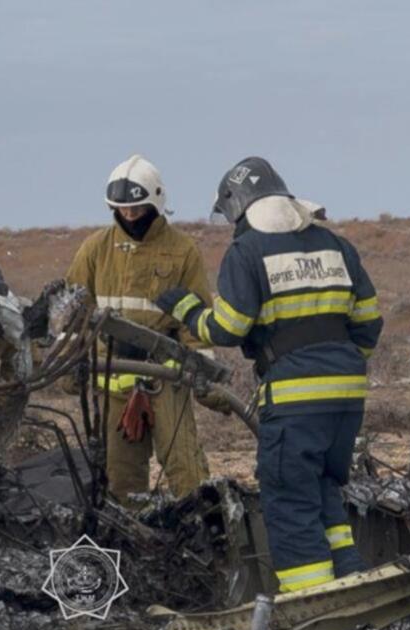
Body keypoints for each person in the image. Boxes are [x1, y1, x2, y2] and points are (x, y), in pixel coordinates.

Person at [156, 157, 383, 592]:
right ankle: (352, 579)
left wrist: (187, 309)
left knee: (289, 499)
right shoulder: (335, 246)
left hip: (295, 399)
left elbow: (229, 327)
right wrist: (339, 368)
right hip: (348, 397)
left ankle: (312, 601)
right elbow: (369, 324)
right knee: (322, 489)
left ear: (238, 208)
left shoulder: (248, 251)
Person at [65, 154, 222, 504]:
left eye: (137, 208)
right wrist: (68, 363)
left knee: (186, 470)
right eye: (122, 210)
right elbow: (73, 312)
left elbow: (195, 321)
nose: (130, 216)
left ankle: (204, 537)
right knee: (120, 481)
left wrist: (202, 374)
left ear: (156, 202)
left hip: (165, 379)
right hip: (111, 383)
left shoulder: (182, 251)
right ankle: (135, 548)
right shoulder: (95, 250)